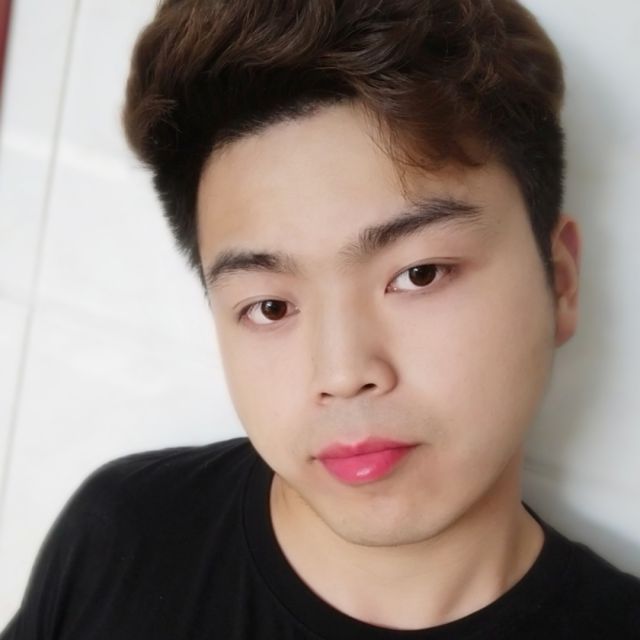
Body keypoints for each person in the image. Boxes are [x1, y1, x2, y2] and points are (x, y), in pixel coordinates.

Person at [2, 0, 639, 637]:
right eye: (270, 307)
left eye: (419, 274)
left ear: (559, 281)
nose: (342, 372)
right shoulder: (122, 539)